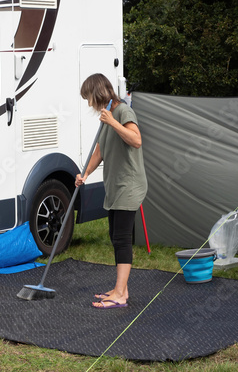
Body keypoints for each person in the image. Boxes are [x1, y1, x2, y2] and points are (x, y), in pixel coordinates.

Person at [75, 73, 147, 309]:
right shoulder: (105, 118)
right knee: (114, 237)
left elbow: (136, 140)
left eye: (89, 98)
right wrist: (84, 174)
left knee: (122, 239)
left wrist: (114, 122)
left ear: (99, 94)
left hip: (130, 184)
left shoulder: (123, 112)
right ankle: (121, 290)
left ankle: (119, 295)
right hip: (115, 186)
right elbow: (100, 151)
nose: (89, 104)